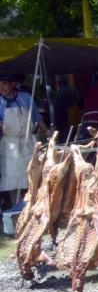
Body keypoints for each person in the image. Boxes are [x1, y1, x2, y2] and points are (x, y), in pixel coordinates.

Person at [0, 73, 48, 207]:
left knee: (34, 172)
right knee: (12, 176)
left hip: (28, 140)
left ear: (12, 84)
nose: (1, 88)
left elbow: (37, 118)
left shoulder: (26, 97)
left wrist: (49, 132)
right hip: (10, 143)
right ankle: (16, 207)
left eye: (4, 84)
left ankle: (36, 203)